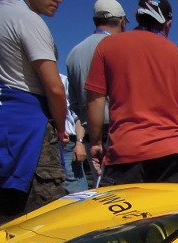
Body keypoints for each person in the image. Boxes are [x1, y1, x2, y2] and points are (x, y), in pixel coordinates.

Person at [85, 0, 178, 186]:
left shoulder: (108, 46)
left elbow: (95, 100)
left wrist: (96, 142)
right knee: (170, 214)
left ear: (137, 16)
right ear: (168, 23)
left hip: (124, 152)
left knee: (123, 215)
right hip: (172, 155)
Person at [0, 0, 68, 229]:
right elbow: (54, 87)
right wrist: (61, 128)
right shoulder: (26, 19)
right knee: (46, 220)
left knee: (5, 215)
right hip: (30, 131)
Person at [65, 0, 128, 183]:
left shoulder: (74, 53)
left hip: (92, 138)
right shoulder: (120, 46)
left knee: (104, 192)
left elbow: (74, 103)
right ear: (122, 21)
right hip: (120, 133)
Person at [59, 73, 88, 193]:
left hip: (67, 144)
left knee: (76, 193)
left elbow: (78, 115)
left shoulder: (63, 81)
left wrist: (79, 143)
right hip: (40, 143)